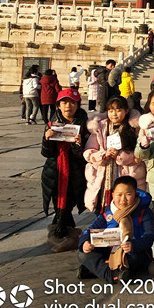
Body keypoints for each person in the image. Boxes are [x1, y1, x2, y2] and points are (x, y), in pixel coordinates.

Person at [77, 176, 154, 283]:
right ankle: (113, 274)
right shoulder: (107, 213)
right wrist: (85, 242)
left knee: (136, 259)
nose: (123, 199)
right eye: (119, 195)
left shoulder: (143, 212)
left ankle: (98, 270)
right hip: (109, 250)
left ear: (135, 194)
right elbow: (89, 230)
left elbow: (150, 236)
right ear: (113, 195)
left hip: (131, 252)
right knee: (83, 253)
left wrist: (134, 245)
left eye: (128, 194)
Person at [42, 88, 89, 252]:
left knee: (68, 203)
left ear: (77, 105)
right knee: (59, 203)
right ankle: (67, 234)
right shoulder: (52, 124)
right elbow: (47, 153)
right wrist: (47, 138)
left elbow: (82, 155)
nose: (68, 106)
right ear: (59, 105)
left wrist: (78, 145)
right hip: (55, 172)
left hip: (75, 172)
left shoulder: (84, 126)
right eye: (64, 102)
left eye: (72, 102)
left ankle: (63, 233)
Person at [84, 96, 145, 213]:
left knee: (127, 213)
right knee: (104, 216)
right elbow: (88, 151)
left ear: (126, 111)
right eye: (111, 111)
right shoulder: (100, 127)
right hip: (103, 176)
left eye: (118, 110)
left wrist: (120, 155)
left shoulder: (133, 129)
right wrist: (102, 155)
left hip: (127, 174)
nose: (114, 114)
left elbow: (139, 154)